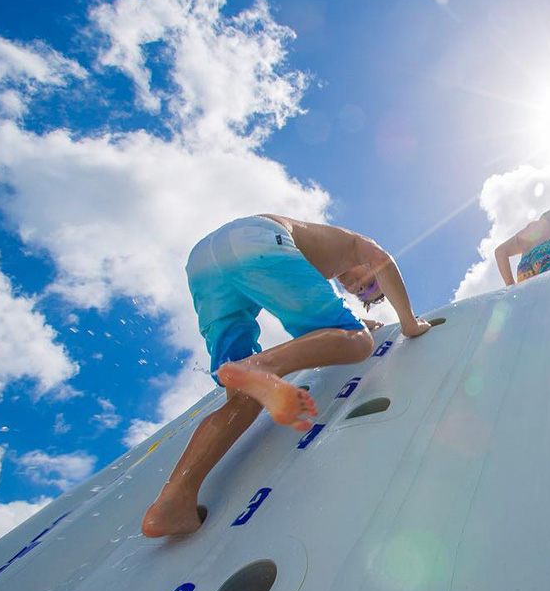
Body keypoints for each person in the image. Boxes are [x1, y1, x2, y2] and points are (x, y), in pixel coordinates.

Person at [141, 214, 430, 538]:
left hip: (202, 264)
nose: (361, 287)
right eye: (370, 283)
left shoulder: (312, 260)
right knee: (358, 341)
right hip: (254, 239)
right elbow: (383, 259)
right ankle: (258, 367)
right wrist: (409, 322)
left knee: (245, 397)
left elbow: (292, 297)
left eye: (364, 294)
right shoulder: (354, 243)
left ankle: (173, 500)